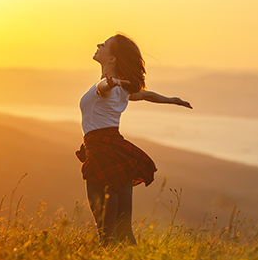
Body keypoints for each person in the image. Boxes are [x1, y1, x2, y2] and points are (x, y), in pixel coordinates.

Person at [76, 33, 192, 246]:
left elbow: (103, 89)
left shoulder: (107, 86)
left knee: (107, 232)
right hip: (117, 152)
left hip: (102, 154)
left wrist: (109, 83)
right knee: (122, 229)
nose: (99, 44)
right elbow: (147, 95)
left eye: (105, 44)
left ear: (112, 59)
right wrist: (171, 100)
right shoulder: (121, 89)